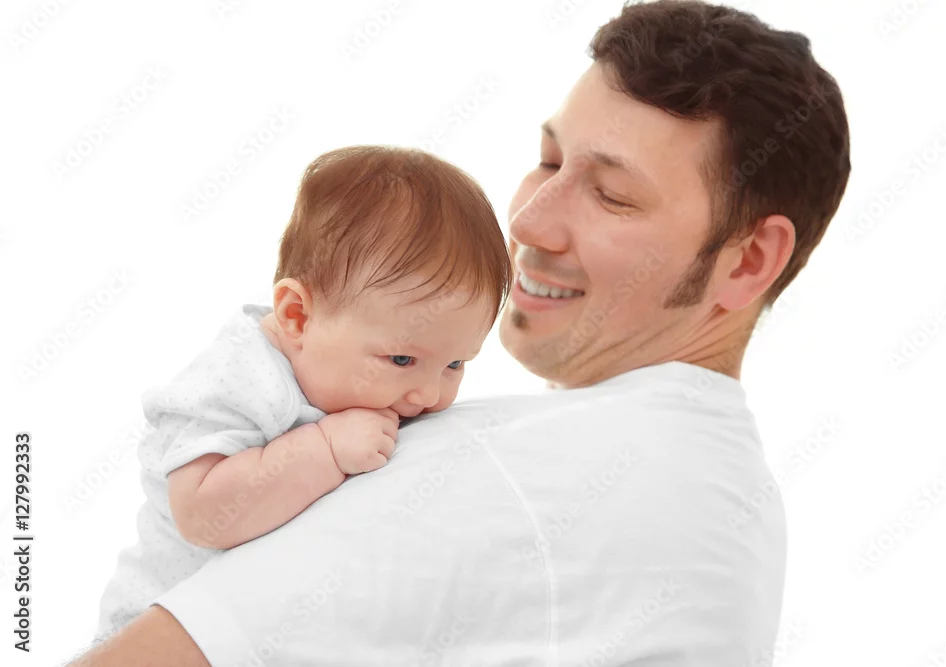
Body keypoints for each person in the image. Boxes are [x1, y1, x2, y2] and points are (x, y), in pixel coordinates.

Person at [72, 0, 851, 664]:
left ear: (750, 259)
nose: (528, 219)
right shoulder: (742, 515)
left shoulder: (495, 467)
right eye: (548, 161)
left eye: (612, 195)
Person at [93, 145, 512, 637]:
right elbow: (201, 515)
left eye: (455, 364)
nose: (428, 394)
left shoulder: (373, 386)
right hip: (156, 634)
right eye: (402, 360)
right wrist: (324, 449)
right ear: (297, 316)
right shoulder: (241, 378)